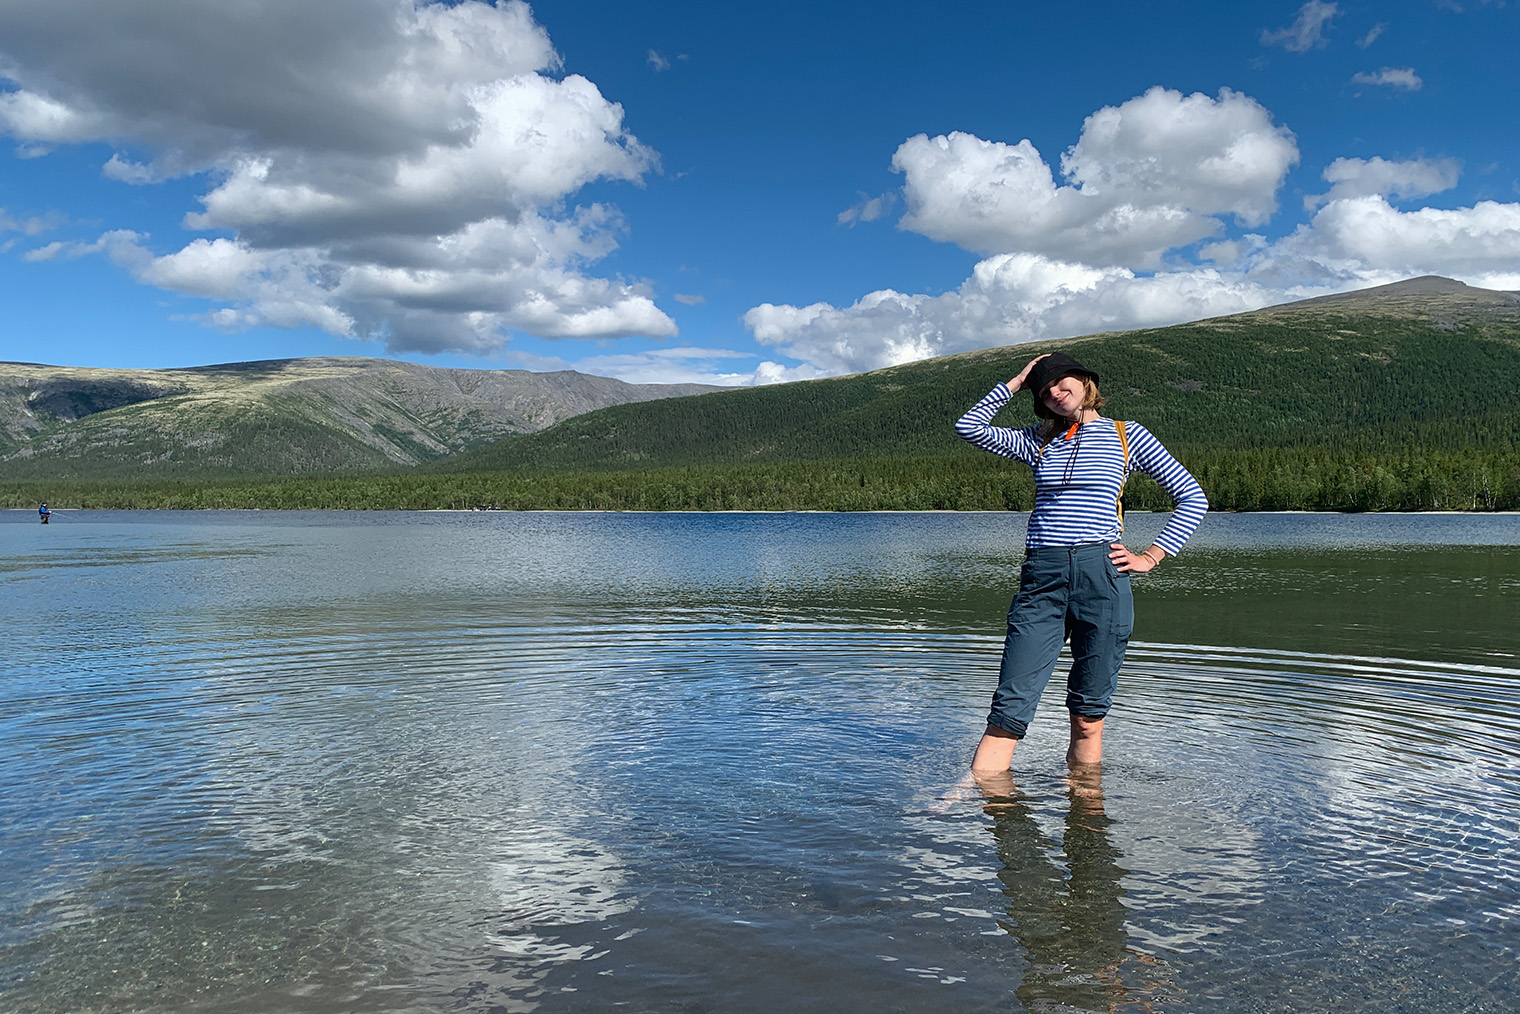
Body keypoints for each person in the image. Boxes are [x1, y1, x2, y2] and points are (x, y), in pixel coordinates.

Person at [954, 352, 1208, 776]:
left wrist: (1151, 556)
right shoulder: (1037, 440)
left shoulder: (1128, 437)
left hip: (1102, 576)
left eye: (1059, 379)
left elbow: (1192, 497)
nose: (1054, 391)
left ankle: (1086, 806)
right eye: (1043, 389)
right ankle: (981, 798)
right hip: (1042, 578)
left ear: (1085, 380)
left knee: (1089, 713)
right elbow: (969, 428)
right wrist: (1017, 382)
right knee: (1009, 705)